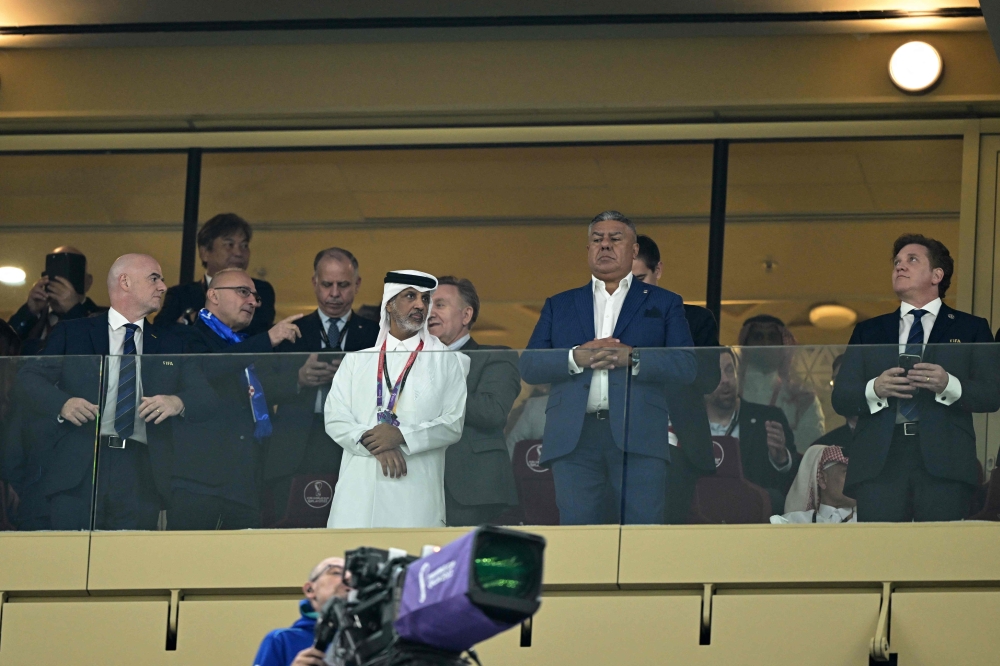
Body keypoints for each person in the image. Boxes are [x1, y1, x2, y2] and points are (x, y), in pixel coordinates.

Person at [519, 211, 696, 525]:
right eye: (596, 240)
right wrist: (575, 358)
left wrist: (634, 358)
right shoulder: (559, 304)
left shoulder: (665, 302)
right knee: (579, 536)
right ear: (587, 250)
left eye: (615, 239)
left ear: (634, 250)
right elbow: (530, 366)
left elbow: (686, 366)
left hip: (639, 433)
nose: (605, 246)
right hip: (575, 436)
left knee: (641, 534)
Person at [18, 254, 213, 530]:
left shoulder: (171, 342)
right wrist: (63, 404)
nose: (163, 287)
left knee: (128, 567)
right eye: (154, 278)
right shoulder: (73, 332)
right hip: (79, 466)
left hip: (142, 471)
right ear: (125, 282)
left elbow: (206, 397)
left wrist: (177, 401)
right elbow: (28, 378)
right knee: (72, 563)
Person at [832, 234, 1000, 522]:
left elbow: (992, 394)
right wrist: (876, 388)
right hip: (880, 461)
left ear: (937, 275)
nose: (900, 266)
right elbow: (841, 397)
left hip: (944, 461)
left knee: (936, 558)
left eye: (912, 260)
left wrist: (950, 385)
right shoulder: (869, 330)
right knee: (882, 556)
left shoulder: (972, 328)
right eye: (897, 261)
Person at [324, 270, 470, 529]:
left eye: (426, 299)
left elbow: (452, 424)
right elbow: (335, 418)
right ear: (389, 304)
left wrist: (401, 437)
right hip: (358, 494)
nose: (420, 305)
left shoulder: (448, 361)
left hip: (414, 496)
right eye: (410, 296)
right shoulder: (357, 360)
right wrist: (376, 442)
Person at [173, 268, 302, 529]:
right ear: (213, 295)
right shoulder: (185, 336)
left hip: (244, 482)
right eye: (243, 292)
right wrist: (268, 339)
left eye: (255, 296)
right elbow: (210, 368)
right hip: (199, 484)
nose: (253, 301)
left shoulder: (247, 344)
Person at [263, 248, 379, 522]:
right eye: (327, 284)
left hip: (353, 443)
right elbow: (260, 386)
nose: (335, 294)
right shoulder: (291, 330)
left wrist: (355, 380)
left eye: (344, 285)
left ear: (358, 284)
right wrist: (299, 379)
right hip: (295, 443)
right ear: (314, 282)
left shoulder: (376, 334)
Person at [632, 234, 722, 524]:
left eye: (640, 278)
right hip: (618, 445)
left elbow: (708, 379)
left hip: (678, 447)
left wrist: (643, 359)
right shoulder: (605, 323)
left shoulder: (695, 320)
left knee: (667, 538)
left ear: (658, 270)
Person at [427, 276, 520, 526]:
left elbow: (492, 411)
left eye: (440, 305)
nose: (429, 313)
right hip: (416, 485)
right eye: (426, 305)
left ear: (466, 315)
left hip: (472, 488)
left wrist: (434, 390)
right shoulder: (409, 361)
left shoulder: (495, 356)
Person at [706, 348, 799, 510]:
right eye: (715, 373)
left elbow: (793, 483)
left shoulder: (769, 418)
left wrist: (780, 459)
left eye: (730, 370)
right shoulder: (688, 425)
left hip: (754, 519)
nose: (725, 380)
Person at [155, 213, 276, 337]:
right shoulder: (181, 295)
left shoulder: (261, 290)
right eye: (229, 245)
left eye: (244, 245)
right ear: (205, 252)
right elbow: (161, 331)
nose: (239, 252)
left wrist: (192, 318)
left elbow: (259, 329)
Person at [738, 315, 826, 453]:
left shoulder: (803, 398)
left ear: (783, 346)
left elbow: (811, 452)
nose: (766, 344)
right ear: (746, 345)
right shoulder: (727, 391)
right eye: (758, 337)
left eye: (772, 337)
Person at [8, 246, 106, 355]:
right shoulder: (34, 318)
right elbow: (5, 348)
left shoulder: (103, 318)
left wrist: (74, 310)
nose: (61, 281)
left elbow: (98, 352)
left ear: (87, 282)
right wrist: (29, 311)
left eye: (69, 273)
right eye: (55, 272)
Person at [253, 557, 350, 666]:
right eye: (336, 572)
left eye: (353, 575)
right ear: (310, 589)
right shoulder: (282, 640)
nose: (348, 578)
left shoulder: (365, 642)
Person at [771, 445, 857, 523]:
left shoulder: (866, 521)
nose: (855, 481)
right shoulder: (793, 523)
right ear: (822, 479)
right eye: (847, 473)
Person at [813, 355, 857, 449]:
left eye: (850, 380)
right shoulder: (822, 448)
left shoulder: (893, 439)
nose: (842, 388)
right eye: (837, 381)